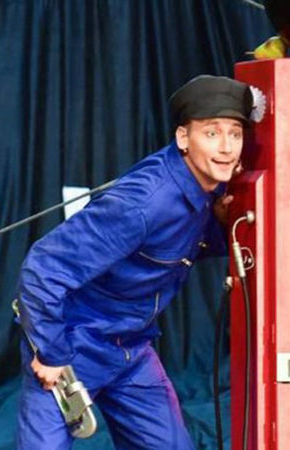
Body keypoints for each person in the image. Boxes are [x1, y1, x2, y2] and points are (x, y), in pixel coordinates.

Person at [15, 75, 261, 448]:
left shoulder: (209, 186)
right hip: (74, 343)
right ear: (183, 138)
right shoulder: (143, 202)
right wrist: (50, 352)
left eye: (235, 134)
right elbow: (43, 268)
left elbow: (175, 246)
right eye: (212, 133)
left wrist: (219, 225)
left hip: (131, 349)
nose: (226, 148)